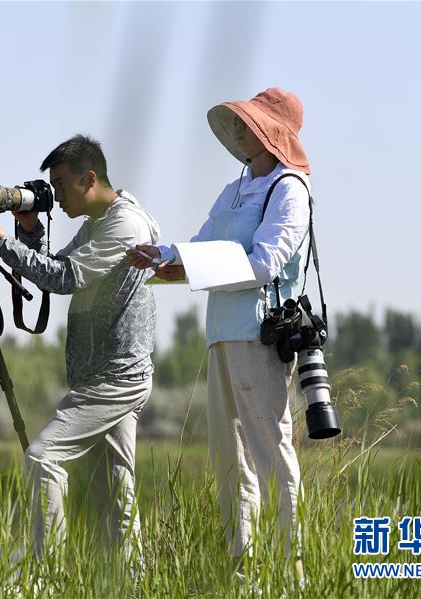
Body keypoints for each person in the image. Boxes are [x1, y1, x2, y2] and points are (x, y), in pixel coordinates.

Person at [127, 88, 312, 578]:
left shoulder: (289, 189)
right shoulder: (234, 190)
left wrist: (190, 266)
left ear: (272, 133)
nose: (240, 130)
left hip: (261, 332)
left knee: (270, 446)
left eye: (250, 123)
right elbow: (202, 244)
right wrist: (164, 256)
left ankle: (289, 567)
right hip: (221, 332)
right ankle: (243, 565)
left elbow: (266, 264)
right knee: (227, 453)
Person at [0, 134, 160, 562]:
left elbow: (63, 279)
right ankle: (132, 585)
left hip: (115, 378)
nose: (55, 197)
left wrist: (1, 240)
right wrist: (29, 229)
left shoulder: (123, 226)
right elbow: (52, 269)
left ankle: (45, 577)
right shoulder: (99, 222)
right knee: (116, 492)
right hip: (104, 374)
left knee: (42, 457)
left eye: (59, 185)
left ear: (89, 178)